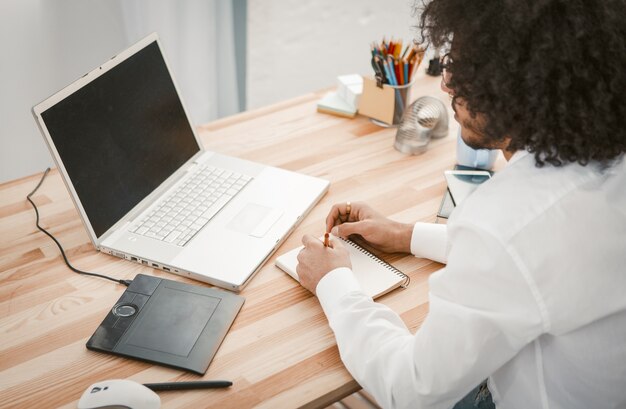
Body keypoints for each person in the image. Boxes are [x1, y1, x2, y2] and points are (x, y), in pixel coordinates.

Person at [295, 0, 626, 408]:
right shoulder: (602, 168)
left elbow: (410, 388)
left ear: (525, 85)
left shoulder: (509, 221)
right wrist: (406, 234)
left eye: (467, 68)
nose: (447, 84)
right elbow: (539, 263)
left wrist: (334, 283)